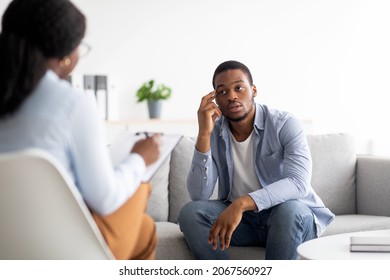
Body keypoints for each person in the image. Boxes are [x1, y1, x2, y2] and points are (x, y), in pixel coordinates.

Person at [0, 0, 160, 260]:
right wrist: (140, 158)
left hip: (9, 249)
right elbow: (104, 199)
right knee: (140, 186)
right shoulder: (72, 103)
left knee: (144, 231)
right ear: (65, 56)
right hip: (66, 251)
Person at [178, 60, 335, 260]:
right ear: (215, 99)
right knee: (191, 213)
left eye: (239, 88)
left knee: (289, 210)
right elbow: (198, 195)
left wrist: (242, 203)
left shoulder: (284, 124)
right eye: (222, 92)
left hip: (286, 217)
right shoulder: (214, 132)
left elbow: (298, 183)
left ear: (253, 90)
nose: (232, 96)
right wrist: (203, 134)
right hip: (243, 223)